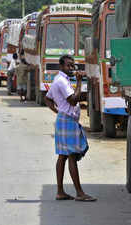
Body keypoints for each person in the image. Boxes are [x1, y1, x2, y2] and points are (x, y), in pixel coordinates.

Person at [44, 55, 97, 202]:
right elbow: (73, 100)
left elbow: (47, 98)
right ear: (61, 66)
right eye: (68, 65)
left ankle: (60, 191)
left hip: (64, 118)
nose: (71, 68)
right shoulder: (61, 81)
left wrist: (59, 111)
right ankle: (79, 193)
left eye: (73, 65)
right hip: (67, 120)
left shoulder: (59, 80)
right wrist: (80, 82)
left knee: (63, 155)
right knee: (71, 155)